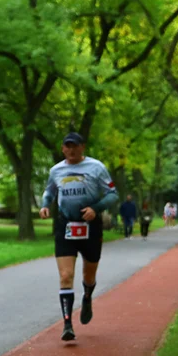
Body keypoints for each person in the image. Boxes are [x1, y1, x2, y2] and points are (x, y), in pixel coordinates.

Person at [39, 132, 118, 342]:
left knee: (88, 275)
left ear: (82, 147)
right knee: (66, 276)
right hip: (65, 225)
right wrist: (45, 205)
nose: (71, 150)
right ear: (63, 148)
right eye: (67, 146)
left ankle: (87, 296)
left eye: (75, 146)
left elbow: (112, 194)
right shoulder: (57, 170)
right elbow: (50, 191)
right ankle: (67, 324)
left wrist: (96, 207)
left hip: (90, 226)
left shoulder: (96, 167)